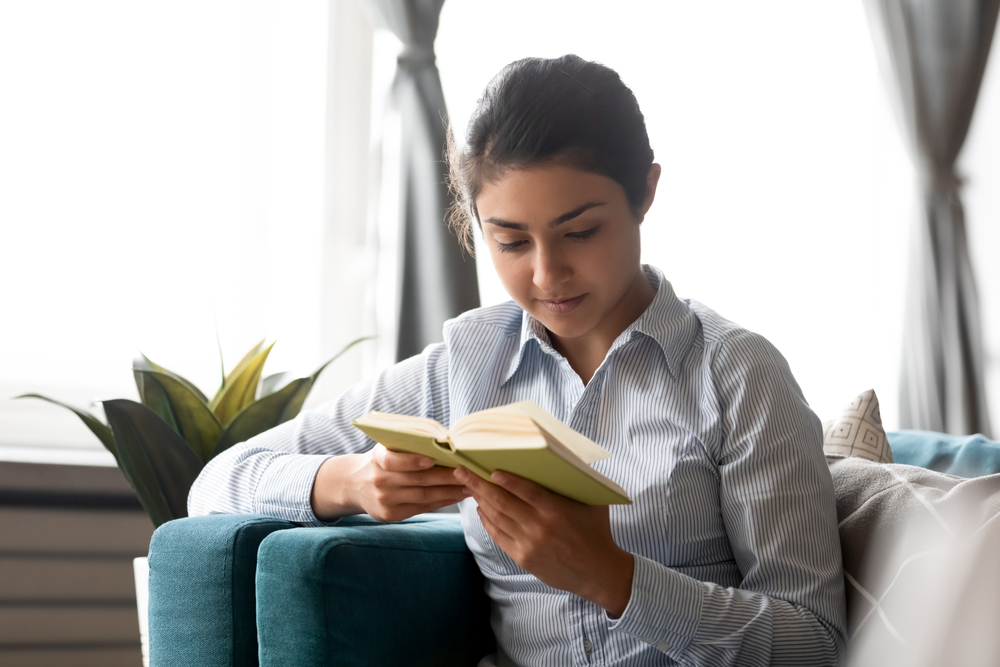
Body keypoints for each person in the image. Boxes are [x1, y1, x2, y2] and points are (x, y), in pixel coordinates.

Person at [189, 54, 847, 666]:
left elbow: (813, 641)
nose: (546, 273)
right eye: (509, 241)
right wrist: (354, 480)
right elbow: (217, 483)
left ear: (644, 193)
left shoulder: (735, 374)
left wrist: (614, 577)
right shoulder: (464, 367)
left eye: (580, 232)